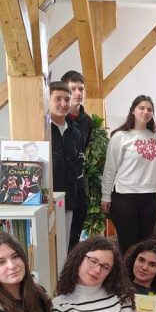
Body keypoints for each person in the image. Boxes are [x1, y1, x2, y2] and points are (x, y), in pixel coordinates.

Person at [102, 95, 156, 254]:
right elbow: (110, 168)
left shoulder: (155, 136)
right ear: (133, 111)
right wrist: (106, 195)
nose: (146, 112)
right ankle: (125, 271)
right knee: (127, 245)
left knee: (146, 245)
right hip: (124, 197)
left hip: (150, 197)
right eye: (141, 108)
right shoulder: (120, 136)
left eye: (149, 109)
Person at [48, 81, 87, 253]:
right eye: (58, 99)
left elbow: (78, 165)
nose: (63, 104)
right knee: (47, 248)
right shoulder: (41, 130)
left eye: (66, 99)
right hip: (45, 200)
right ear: (48, 100)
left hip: (68, 200)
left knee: (64, 248)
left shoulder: (75, 132)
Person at [61, 70, 94, 248]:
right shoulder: (58, 119)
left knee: (75, 233)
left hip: (79, 185)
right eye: (73, 89)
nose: (78, 93)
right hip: (61, 186)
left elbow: (83, 149)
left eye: (81, 89)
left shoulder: (87, 121)